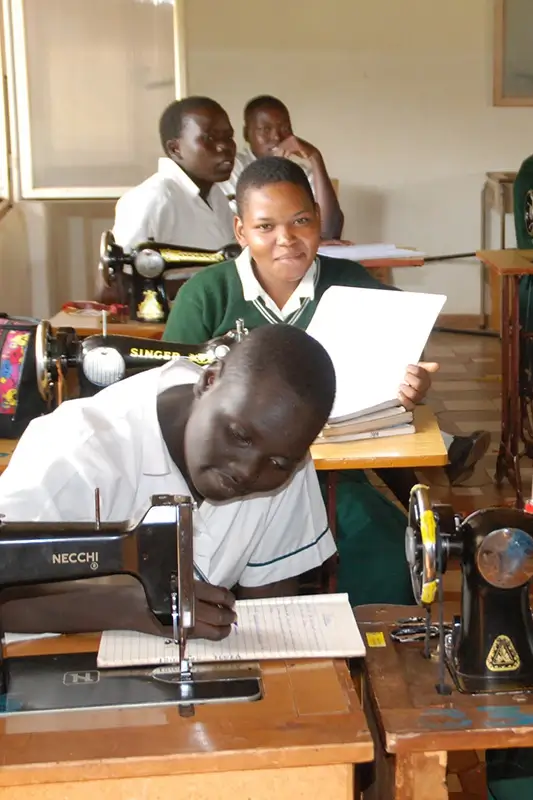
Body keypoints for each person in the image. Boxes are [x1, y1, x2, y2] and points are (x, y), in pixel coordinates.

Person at [163, 156, 491, 605]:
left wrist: (408, 391)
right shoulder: (206, 295)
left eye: (301, 221)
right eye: (265, 227)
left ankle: (372, 657)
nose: (287, 240)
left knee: (383, 548)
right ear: (241, 231)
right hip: (230, 478)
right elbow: (173, 390)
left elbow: (394, 375)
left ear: (319, 219)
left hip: (333, 477)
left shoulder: (354, 286)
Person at [0, 325, 337, 640]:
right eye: (238, 436)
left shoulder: (284, 454)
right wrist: (125, 608)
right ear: (208, 382)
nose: (248, 472)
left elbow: (271, 613)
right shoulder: (76, 452)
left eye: (278, 463)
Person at [96, 96, 237, 304]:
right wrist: (204, 286)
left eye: (228, 137)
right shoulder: (151, 199)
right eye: (209, 138)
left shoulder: (216, 196)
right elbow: (120, 286)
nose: (224, 147)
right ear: (175, 149)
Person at [221, 95, 344, 241]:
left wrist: (315, 157)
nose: (276, 137)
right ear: (246, 134)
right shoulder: (231, 169)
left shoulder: (301, 173)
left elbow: (330, 232)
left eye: (285, 128)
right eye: (265, 129)